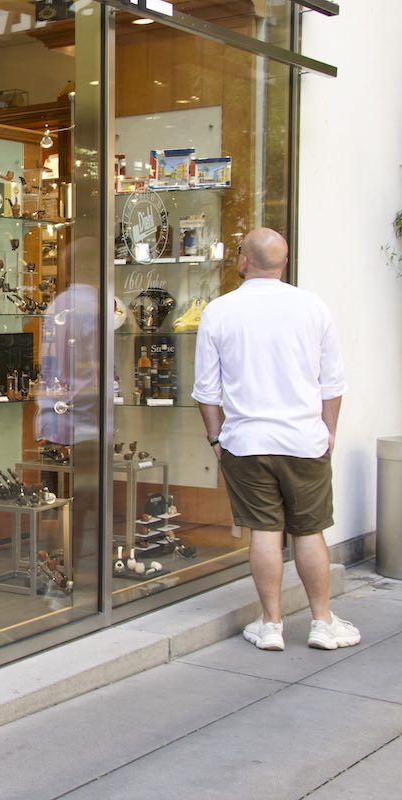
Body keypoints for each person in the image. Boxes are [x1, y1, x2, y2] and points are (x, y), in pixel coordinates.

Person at [192, 227, 357, 652]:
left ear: (243, 261)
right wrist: (329, 430)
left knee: (264, 532)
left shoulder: (220, 310)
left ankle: (271, 625)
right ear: (284, 264)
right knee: (309, 531)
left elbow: (206, 391)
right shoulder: (312, 307)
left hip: (246, 441)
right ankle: (321, 622)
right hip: (303, 439)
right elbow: (332, 383)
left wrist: (216, 438)